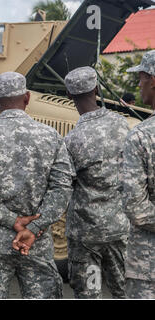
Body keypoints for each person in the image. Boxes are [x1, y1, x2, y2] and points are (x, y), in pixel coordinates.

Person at [0, 72, 74, 299]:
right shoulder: (50, 136)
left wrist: (12, 221)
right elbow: (62, 186)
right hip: (37, 242)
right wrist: (33, 228)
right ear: (27, 98)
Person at [64, 67, 130, 299]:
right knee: (125, 291)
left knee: (89, 293)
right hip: (119, 226)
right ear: (97, 89)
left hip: (86, 235)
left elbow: (65, 185)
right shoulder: (123, 126)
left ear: (70, 96)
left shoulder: (72, 139)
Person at [122, 50, 155, 299]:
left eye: (141, 77)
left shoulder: (141, 136)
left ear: (153, 80)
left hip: (148, 266)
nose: (139, 84)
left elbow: (136, 208)